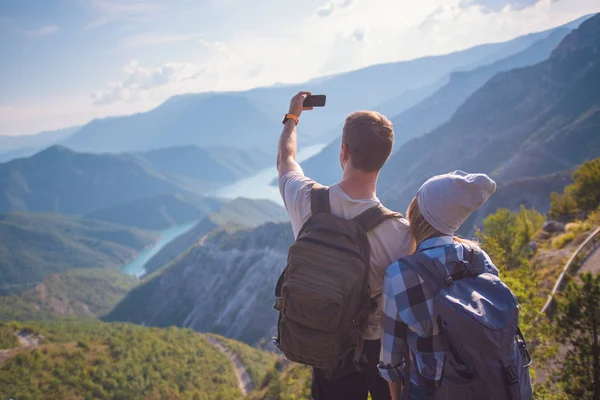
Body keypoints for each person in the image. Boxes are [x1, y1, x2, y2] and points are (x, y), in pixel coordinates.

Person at [276, 91, 413, 400]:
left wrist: (292, 119)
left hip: (328, 343)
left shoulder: (307, 201)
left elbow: (285, 161)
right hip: (380, 352)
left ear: (343, 152)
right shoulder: (400, 233)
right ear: (384, 159)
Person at [379, 171, 533, 400]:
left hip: (432, 391)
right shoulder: (480, 259)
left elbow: (391, 361)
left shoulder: (400, 275)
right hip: (489, 386)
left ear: (420, 214)